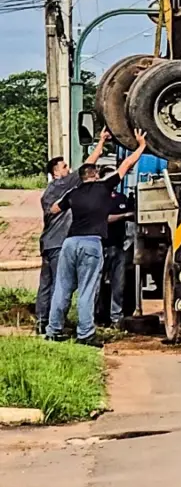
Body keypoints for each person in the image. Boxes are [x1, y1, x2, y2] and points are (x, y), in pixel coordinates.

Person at [45, 130, 147, 345]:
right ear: (96, 175)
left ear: (82, 177)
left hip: (70, 243)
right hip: (91, 243)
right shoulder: (104, 188)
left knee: (62, 288)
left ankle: (53, 330)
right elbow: (126, 164)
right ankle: (85, 334)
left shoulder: (73, 193)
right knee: (87, 289)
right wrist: (141, 146)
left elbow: (54, 209)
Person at [35, 129, 112, 335]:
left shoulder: (48, 192)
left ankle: (42, 322)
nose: (68, 170)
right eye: (64, 167)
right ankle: (57, 325)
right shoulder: (63, 184)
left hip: (48, 243)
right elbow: (88, 165)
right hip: (60, 242)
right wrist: (101, 141)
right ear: (55, 173)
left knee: (46, 284)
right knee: (61, 286)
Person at [99, 165, 135, 327]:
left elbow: (132, 215)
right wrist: (124, 215)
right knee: (97, 284)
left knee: (118, 284)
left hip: (119, 247)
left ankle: (116, 317)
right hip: (101, 246)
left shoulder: (121, 198)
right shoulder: (98, 199)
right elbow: (104, 218)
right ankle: (97, 316)